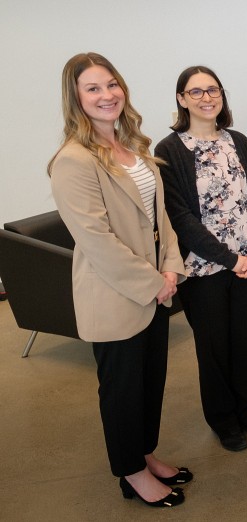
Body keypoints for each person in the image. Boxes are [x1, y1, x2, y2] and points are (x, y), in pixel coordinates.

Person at [49, 52, 189, 507]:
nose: (106, 95)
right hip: (116, 295)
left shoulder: (133, 148)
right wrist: (154, 282)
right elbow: (96, 240)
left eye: (111, 84)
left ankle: (144, 453)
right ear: (76, 99)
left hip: (155, 287)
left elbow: (160, 218)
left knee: (150, 382)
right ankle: (131, 473)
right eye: (92, 88)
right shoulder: (73, 161)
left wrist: (171, 267)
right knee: (123, 391)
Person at [155, 66, 247, 451]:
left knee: (244, 340)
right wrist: (229, 258)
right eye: (196, 91)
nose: (207, 97)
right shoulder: (169, 150)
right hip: (203, 269)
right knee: (213, 345)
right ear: (181, 98)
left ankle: (245, 408)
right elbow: (180, 218)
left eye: (213, 90)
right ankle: (223, 419)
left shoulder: (239, 141)